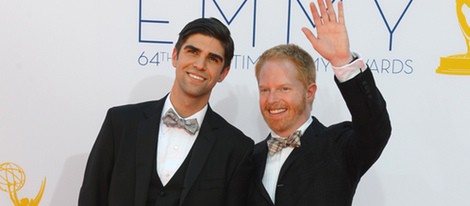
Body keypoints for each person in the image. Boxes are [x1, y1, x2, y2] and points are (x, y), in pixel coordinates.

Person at [78, 17, 254, 206]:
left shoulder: (237, 148)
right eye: (192, 52)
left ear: (223, 73)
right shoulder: (120, 123)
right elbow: (92, 196)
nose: (200, 65)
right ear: (175, 56)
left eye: (212, 58)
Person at [247, 0, 392, 205]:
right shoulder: (248, 158)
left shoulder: (339, 147)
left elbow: (375, 128)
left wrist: (343, 62)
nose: (272, 99)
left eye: (284, 88)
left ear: (310, 92)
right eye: (265, 90)